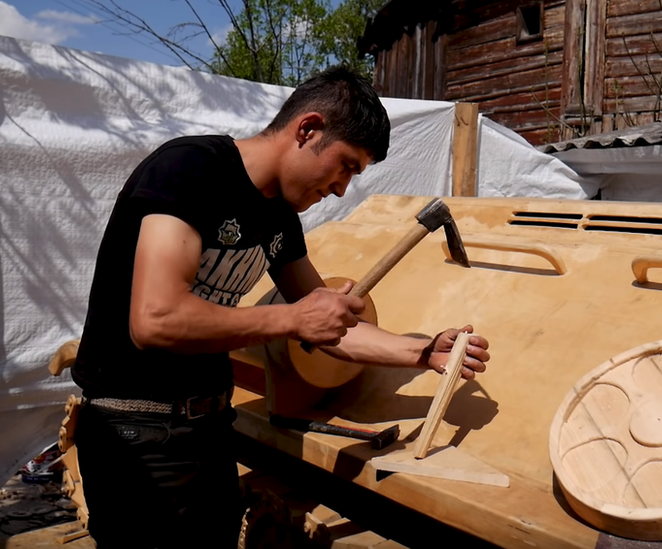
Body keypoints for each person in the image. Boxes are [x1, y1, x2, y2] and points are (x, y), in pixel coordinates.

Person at [71, 66, 491, 548]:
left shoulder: (279, 217)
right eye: (346, 165)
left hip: (207, 429)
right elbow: (155, 320)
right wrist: (294, 319)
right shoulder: (190, 169)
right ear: (307, 129)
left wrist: (421, 351)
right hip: (136, 430)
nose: (341, 188)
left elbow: (329, 325)